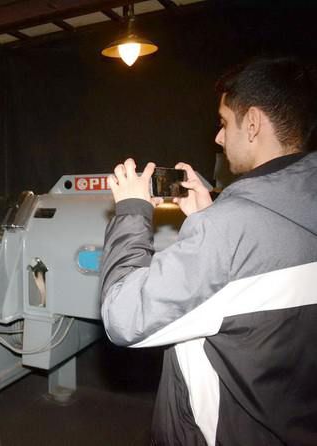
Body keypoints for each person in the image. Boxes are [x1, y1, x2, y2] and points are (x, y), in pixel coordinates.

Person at [100, 57, 317, 445]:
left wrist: (132, 211)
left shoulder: (227, 230)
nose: (218, 137)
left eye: (224, 122)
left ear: (252, 123)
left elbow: (123, 315)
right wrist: (210, 215)